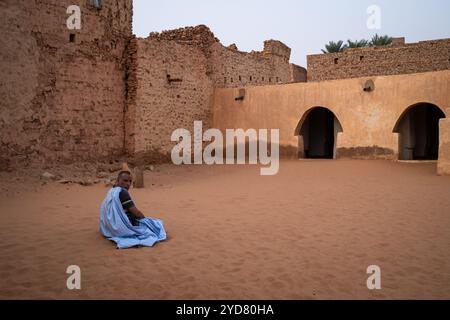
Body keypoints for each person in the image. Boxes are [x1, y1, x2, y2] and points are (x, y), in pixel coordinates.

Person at [99, 170, 167, 249]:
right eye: (125, 180)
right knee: (156, 224)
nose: (128, 184)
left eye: (130, 181)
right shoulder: (122, 192)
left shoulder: (112, 191)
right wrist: (146, 221)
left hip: (109, 227)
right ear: (117, 180)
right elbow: (137, 213)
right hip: (122, 226)